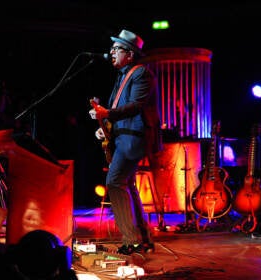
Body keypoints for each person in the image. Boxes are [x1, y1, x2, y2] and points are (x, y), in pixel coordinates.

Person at [89, 29, 162, 255]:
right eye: (113, 48)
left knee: (115, 181)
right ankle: (143, 238)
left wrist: (107, 114)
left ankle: (132, 240)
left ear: (129, 54)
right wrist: (105, 128)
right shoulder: (123, 75)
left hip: (134, 139)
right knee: (126, 184)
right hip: (123, 137)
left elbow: (134, 107)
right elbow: (117, 111)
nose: (111, 51)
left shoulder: (142, 74)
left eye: (117, 48)